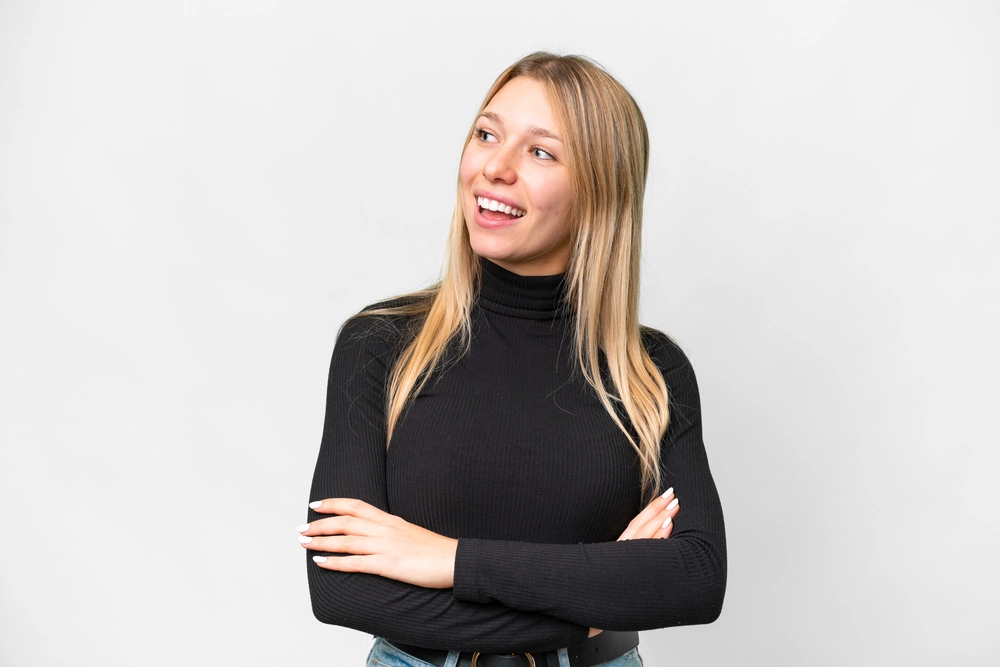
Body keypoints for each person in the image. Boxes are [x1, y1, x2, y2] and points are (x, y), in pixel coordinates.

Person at [297, 52, 727, 667]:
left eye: (541, 152)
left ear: (599, 190)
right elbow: (340, 587)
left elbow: (695, 577)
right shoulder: (378, 345)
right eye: (486, 134)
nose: (494, 168)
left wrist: (445, 559)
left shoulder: (649, 373)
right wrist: (587, 609)